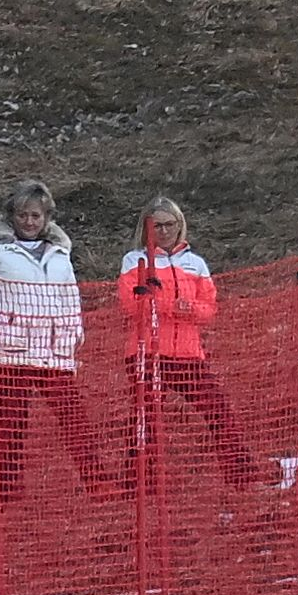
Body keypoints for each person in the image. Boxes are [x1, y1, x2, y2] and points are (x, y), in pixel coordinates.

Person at [0, 180, 105, 500]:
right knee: (12, 422)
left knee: (74, 419)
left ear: (46, 218)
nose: (29, 222)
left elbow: (70, 296)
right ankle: (9, 489)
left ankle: (96, 481)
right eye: (23, 215)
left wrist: (72, 334)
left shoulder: (60, 252)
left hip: (53, 352)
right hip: (11, 350)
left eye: (36, 216)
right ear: (12, 215)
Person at [116, 196, 261, 488]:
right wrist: (170, 306)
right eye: (157, 226)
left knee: (217, 409)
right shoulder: (135, 260)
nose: (164, 231)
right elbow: (131, 305)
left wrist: (187, 309)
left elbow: (208, 309)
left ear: (180, 226)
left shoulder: (196, 264)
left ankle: (241, 476)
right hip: (147, 353)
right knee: (145, 419)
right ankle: (138, 483)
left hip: (188, 354)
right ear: (146, 229)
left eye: (170, 225)